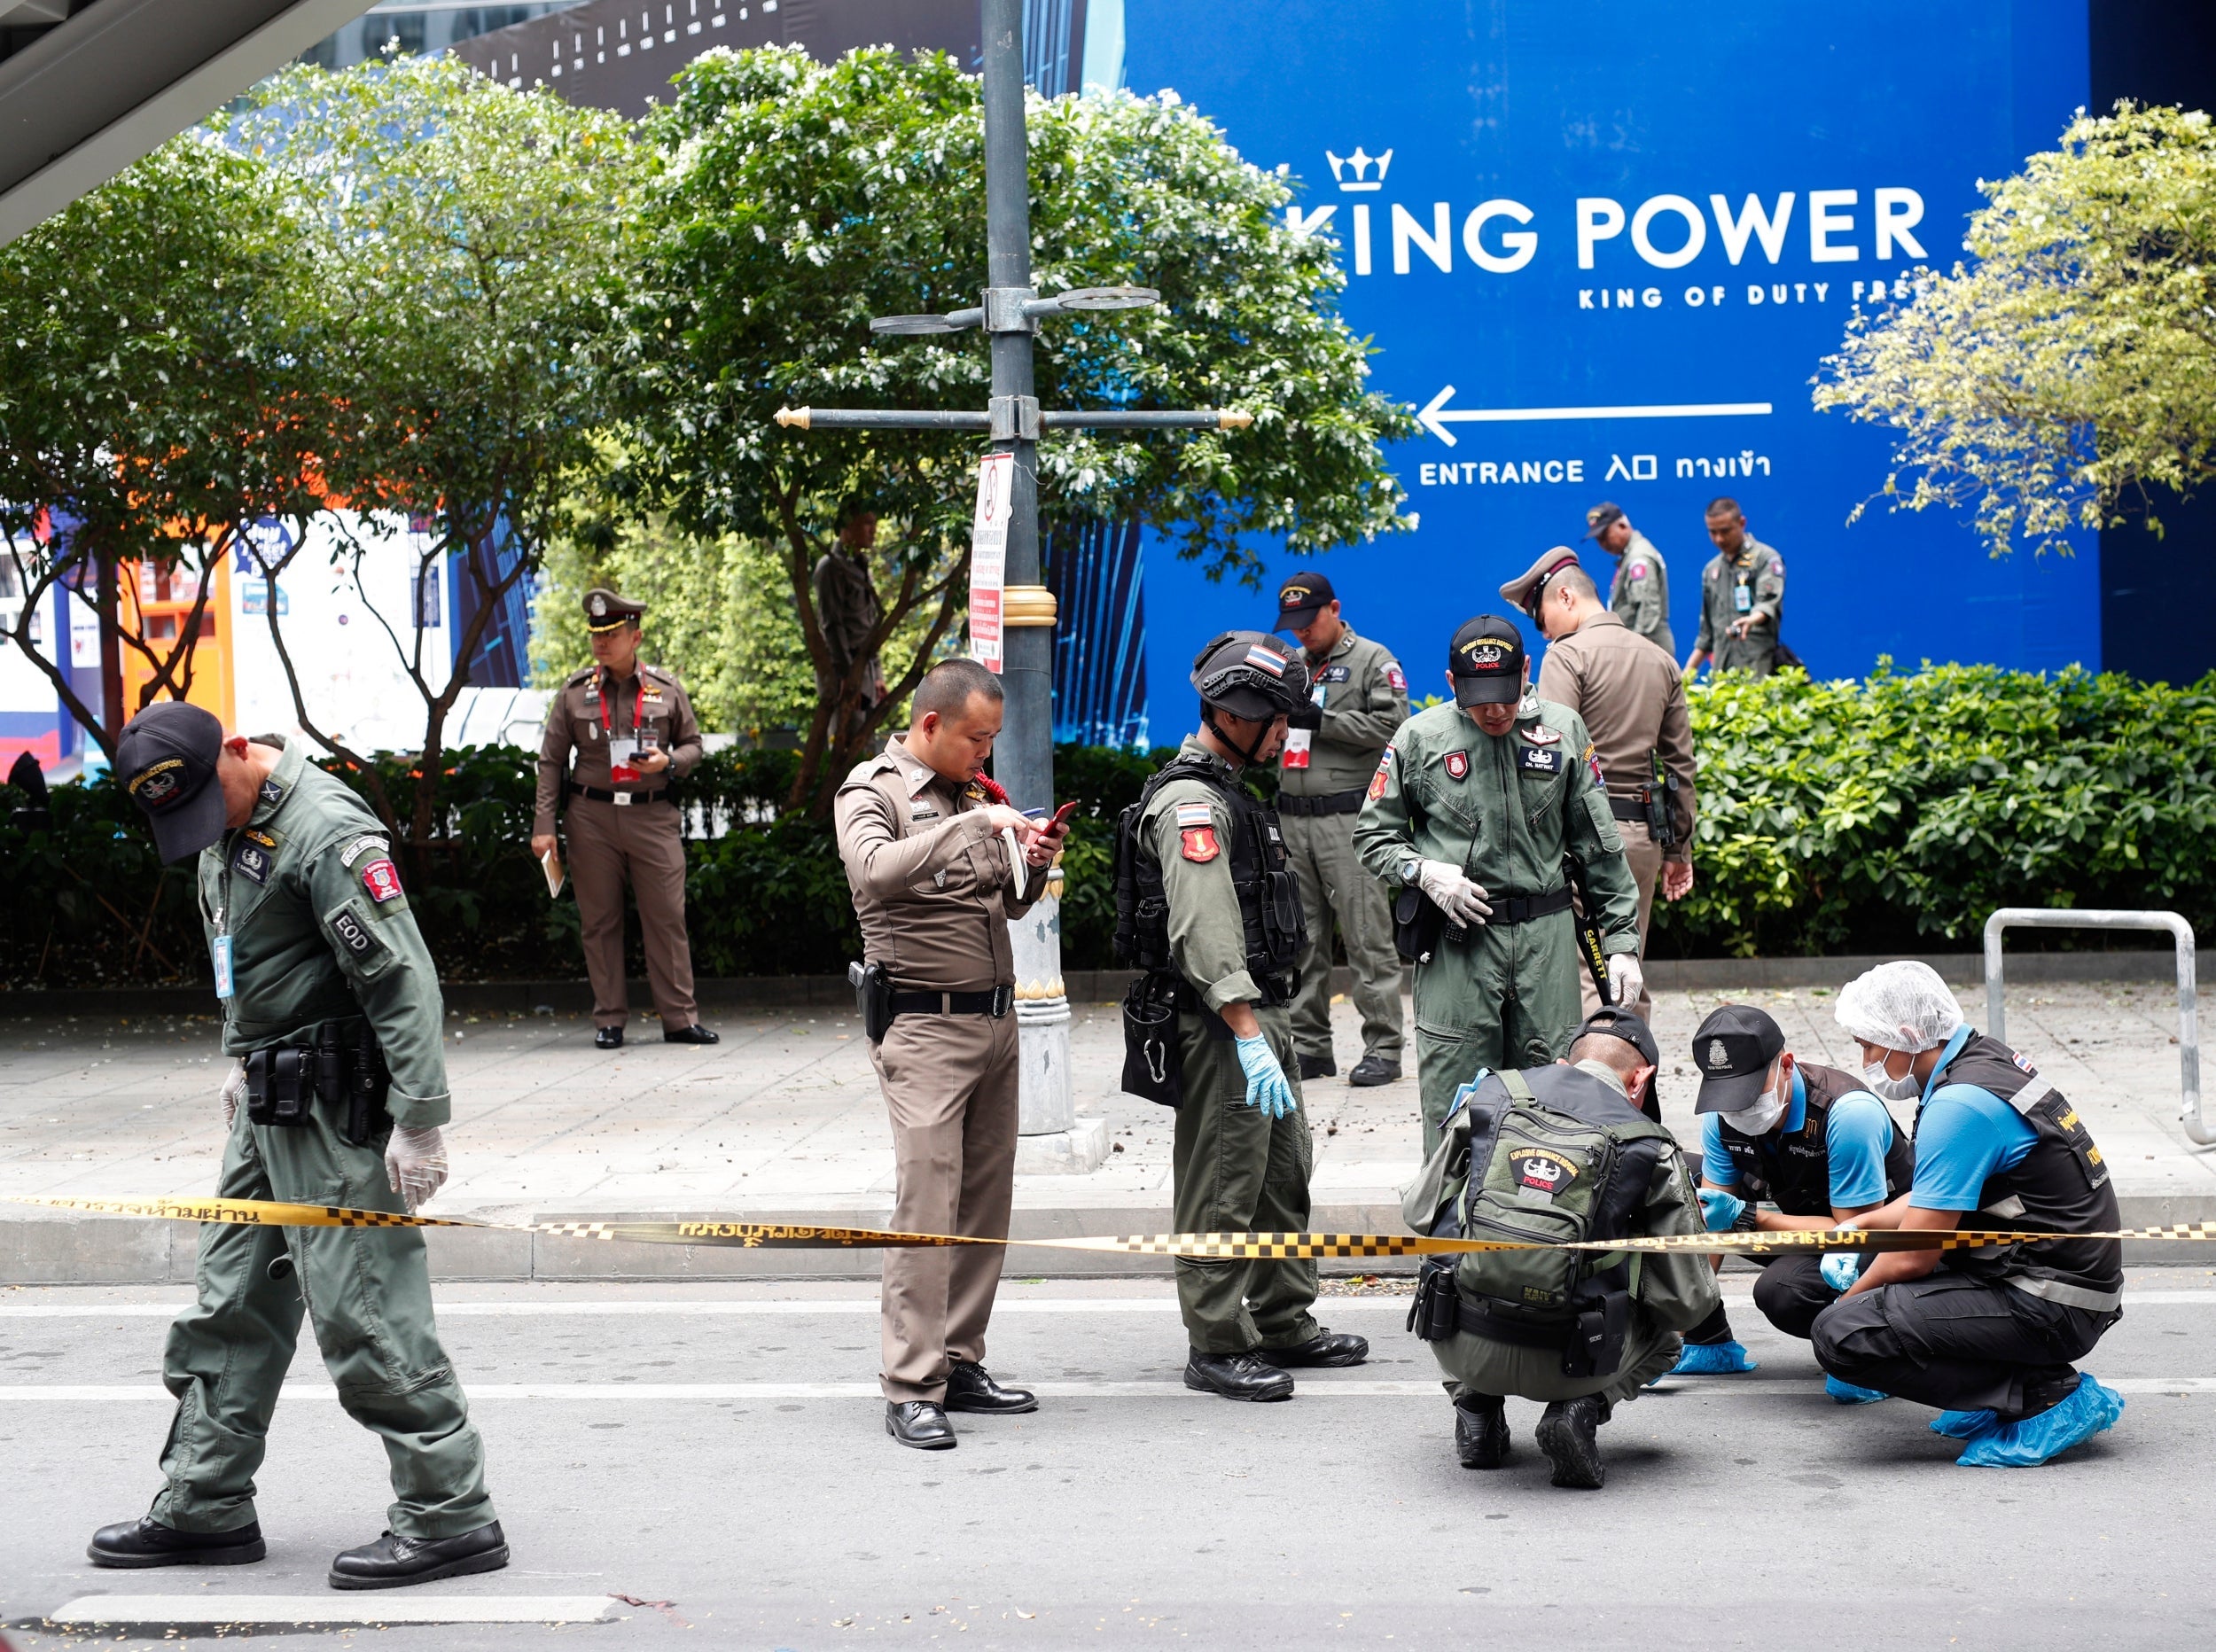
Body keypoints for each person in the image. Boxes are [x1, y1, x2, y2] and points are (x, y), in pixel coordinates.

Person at [91, 701, 505, 1589]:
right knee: (229, 1298)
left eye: (214, 800)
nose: (211, 824)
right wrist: (241, 1057)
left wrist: (420, 1115)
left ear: (239, 749)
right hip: (267, 1100)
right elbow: (250, 950)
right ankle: (207, 1500)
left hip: (333, 1106)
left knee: (364, 1307)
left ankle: (449, 1512)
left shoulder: (324, 832)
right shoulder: (222, 815)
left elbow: (402, 978)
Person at [833, 658, 1069, 1450]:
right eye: (978, 738)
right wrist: (975, 826)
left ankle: (959, 1361)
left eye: (995, 740)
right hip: (924, 1030)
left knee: (982, 1208)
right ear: (930, 725)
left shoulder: (972, 794)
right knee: (926, 1208)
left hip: (995, 1024)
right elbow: (874, 869)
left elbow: (1005, 901)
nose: (987, 755)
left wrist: (1033, 863)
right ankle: (910, 1384)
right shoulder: (873, 792)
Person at [1128, 630, 1369, 1401]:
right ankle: (1216, 1342)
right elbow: (1204, 927)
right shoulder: (1192, 803)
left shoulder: (1230, 789)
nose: (1284, 734)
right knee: (1225, 1185)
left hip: (1260, 1018)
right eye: (1276, 720)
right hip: (1224, 1024)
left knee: (1281, 1176)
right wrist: (1244, 1030)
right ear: (1236, 713)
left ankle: (1284, 1320)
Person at [1810, 961, 2127, 1467]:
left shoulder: (1959, 1104)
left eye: (1867, 1044)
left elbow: (1913, 1258)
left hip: (2053, 1300)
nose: (1865, 1058)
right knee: (1885, 1298)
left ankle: (2046, 1395)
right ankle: (1996, 1395)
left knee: (1843, 1334)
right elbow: (1939, 1197)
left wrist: (1840, 1307)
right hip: (2059, 1279)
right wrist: (1863, 1224)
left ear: (1907, 1036)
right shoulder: (1982, 1060)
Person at [1352, 614, 1643, 1156]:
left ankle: (1545, 1237)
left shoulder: (1562, 731)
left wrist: (1622, 943)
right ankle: (1453, 1237)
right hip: (1459, 947)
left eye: (1505, 695)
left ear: (1527, 671)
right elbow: (1371, 836)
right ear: (1451, 682)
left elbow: (1599, 847)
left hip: (1545, 944)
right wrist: (1422, 870)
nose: (1494, 710)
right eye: (1479, 697)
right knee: (1455, 1104)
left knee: (1555, 1099)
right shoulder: (1420, 739)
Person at [1401, 1009, 1720, 1489]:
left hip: (1462, 1343)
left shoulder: (1491, 1097)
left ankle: (1475, 1409)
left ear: (1561, 1062)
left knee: (1445, 1257)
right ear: (1642, 1079)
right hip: (1575, 1362)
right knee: (1669, 1340)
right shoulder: (1650, 1144)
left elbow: (1419, 1211)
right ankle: (1581, 1409)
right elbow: (1687, 1302)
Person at [1500, 547, 1696, 1021]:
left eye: (1541, 614)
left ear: (1565, 597)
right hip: (1643, 839)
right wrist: (1679, 852)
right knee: (1627, 966)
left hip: (1579, 840)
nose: (1542, 630)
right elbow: (1681, 765)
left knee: (1586, 976)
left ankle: (1596, 1088)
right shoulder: (1661, 660)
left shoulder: (1567, 657)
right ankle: (1634, 1082)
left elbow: (1546, 754)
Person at [1682, 1002, 1913, 1391]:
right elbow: (1712, 1223)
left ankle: (1871, 1349)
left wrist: (1745, 1216)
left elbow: (1852, 1231)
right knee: (1680, 1183)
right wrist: (1683, 1315)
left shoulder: (1847, 1113)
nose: (1738, 1109)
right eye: (1729, 1096)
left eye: (1751, 1093)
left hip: (1877, 1237)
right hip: (1797, 1218)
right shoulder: (1720, 1117)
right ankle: (1709, 1343)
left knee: (1783, 1292)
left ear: (1786, 1065)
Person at [532, 588, 715, 1051]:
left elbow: (695, 745)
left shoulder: (667, 689)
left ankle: (679, 1020)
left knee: (667, 918)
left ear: (635, 637)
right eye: (596, 634)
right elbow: (551, 761)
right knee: (599, 921)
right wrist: (543, 826)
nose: (601, 642)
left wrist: (668, 762)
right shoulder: (575, 692)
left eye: (612, 634)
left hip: (653, 817)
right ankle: (609, 1019)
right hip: (590, 818)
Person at [1272, 570, 1410, 1087]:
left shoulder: (1373, 660)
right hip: (1292, 819)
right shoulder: (1293, 667)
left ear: (1334, 609)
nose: (1301, 633)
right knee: (1299, 939)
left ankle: (1383, 1047)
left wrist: (1318, 719)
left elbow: (1395, 728)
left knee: (1366, 936)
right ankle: (1310, 1046)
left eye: (1309, 621)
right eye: (1294, 625)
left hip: (1347, 820)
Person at [1683, 497, 1785, 679]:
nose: (1719, 539)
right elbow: (1706, 636)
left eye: (1725, 531)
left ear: (1742, 523)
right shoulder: (1711, 570)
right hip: (1722, 673)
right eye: (1712, 532)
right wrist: (1685, 678)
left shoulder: (1765, 559)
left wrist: (1751, 620)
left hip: (1757, 669)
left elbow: (1768, 603)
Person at [814, 503, 888, 742]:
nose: (873, 530)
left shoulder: (862, 564)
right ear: (846, 527)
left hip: (865, 668)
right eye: (867, 523)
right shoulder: (831, 568)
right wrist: (847, 676)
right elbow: (832, 625)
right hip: (844, 671)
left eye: (874, 523)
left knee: (863, 743)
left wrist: (877, 674)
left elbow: (868, 625)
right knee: (845, 742)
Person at [1582, 502, 1673, 657]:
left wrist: (1634, 652)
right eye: (1598, 539)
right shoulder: (1630, 556)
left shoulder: (1639, 558)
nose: (1602, 544)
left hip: (1648, 651)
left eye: (1604, 536)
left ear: (1622, 526)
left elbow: (1648, 610)